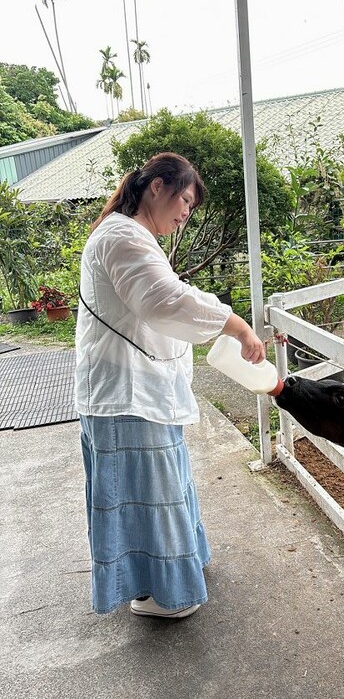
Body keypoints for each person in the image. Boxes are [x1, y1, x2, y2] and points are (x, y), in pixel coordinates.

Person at [75, 152, 264, 620]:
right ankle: (159, 593)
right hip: (125, 396)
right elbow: (163, 300)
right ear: (157, 186)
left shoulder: (130, 234)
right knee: (147, 496)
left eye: (191, 207)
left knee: (158, 490)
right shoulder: (121, 236)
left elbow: (160, 303)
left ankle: (170, 576)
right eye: (184, 200)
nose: (185, 214)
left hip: (137, 392)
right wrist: (236, 325)